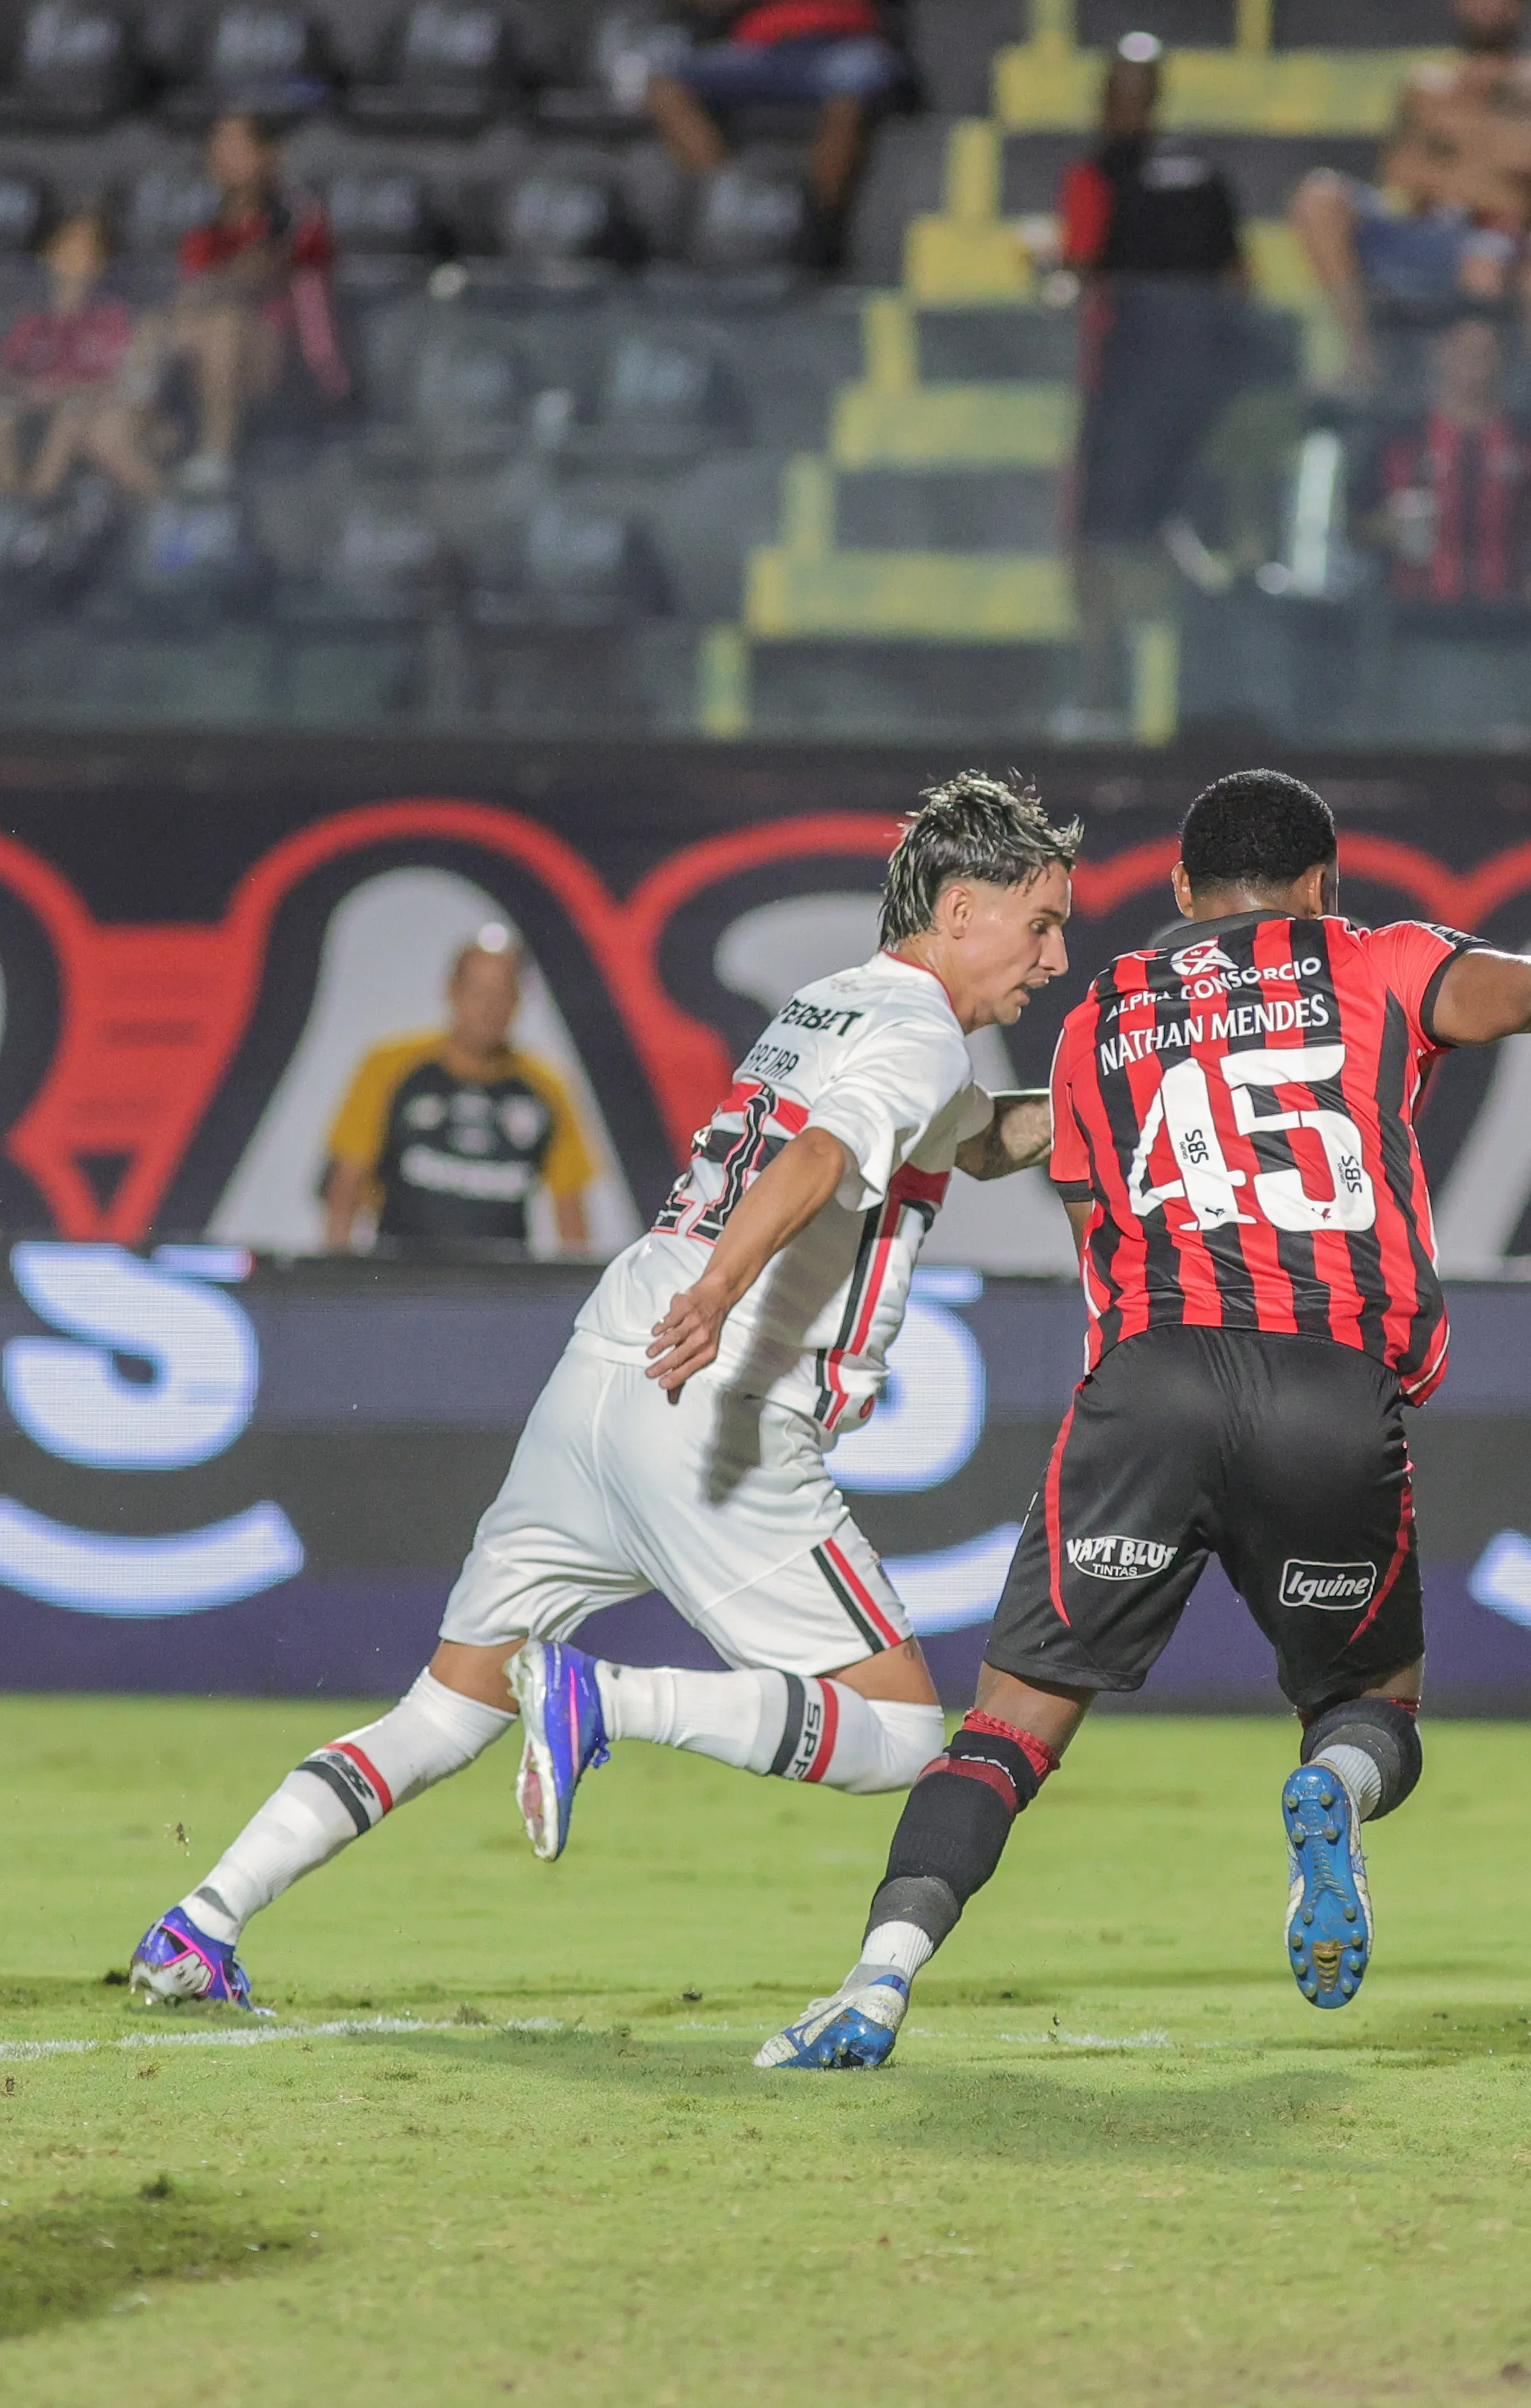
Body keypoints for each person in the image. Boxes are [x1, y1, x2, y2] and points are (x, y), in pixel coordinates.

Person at [749, 766, 1531, 2067]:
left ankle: (876, 1982)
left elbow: (1087, 1222)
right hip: (1328, 1386)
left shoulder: (1097, 1016)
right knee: (1371, 1700)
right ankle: (1329, 1788)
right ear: (1322, 885)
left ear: (1182, 890)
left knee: (1008, 1726)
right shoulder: (1377, 961)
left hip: (1151, 1380)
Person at [127, 777, 1078, 2007]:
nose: (1055, 958)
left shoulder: (831, 1005)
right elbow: (826, 1153)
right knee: (899, 1734)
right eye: (1040, 924)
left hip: (602, 1370)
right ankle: (607, 1696)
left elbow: (966, 1137)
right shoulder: (923, 1031)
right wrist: (724, 1289)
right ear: (959, 910)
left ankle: (200, 1920)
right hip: (714, 1393)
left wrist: (1096, 1105)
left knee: (448, 1705)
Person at [1059, 34, 1245, 723]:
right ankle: (1181, 687)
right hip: (1200, 392)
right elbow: (1237, 283)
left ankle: (1105, 689)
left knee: (1095, 541)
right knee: (1179, 535)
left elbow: (1082, 274)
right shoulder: (1205, 174)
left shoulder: (1096, 177)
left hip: (1124, 392)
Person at [1288, 0, 1531, 392]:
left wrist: (1444, 143)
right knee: (1319, 197)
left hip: (1496, 239)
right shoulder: (1424, 83)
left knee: (1483, 265)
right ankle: (1362, 360)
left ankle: (1487, 403)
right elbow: (1399, 172)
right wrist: (1491, 157)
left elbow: (1528, 170)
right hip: (1420, 230)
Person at [321, 927, 600, 1256]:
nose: (490, 1007)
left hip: (502, 1280)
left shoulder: (546, 1087)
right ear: (452, 991)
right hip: (403, 1276)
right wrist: (337, 1273)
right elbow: (346, 1185)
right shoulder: (389, 1067)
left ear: (519, 1001)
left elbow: (571, 1210)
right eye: (478, 991)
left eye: (503, 992)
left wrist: (577, 1283)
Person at [164, 112, 345, 492]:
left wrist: (211, 290)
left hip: (296, 360)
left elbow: (259, 273)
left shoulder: (297, 211)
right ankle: (142, 423)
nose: (226, 155)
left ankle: (218, 453)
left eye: (238, 145)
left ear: (269, 154)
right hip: (202, 357)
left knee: (223, 325)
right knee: (158, 330)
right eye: (219, 145)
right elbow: (188, 291)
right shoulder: (202, 222)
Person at [1361, 314, 1531, 607]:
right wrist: (1389, 530)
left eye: (1486, 352)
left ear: (1503, 359)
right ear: (1442, 352)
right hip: (1414, 611)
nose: (1474, 361)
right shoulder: (1401, 438)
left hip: (1510, 612)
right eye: (1464, 350)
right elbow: (1357, 518)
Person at [646, 0, 907, 246]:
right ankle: (730, 201)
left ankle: (815, 224)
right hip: (763, 50)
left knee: (853, 87)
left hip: (842, 44)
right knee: (665, 87)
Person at [0, 209, 162, 507]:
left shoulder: (116, 318)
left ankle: (38, 503)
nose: (77, 258)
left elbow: (132, 380)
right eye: (68, 247)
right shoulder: (30, 318)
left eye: (89, 249)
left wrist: (68, 391)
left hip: (89, 406)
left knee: (71, 415)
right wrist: (26, 390)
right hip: (34, 403)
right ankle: (4, 503)